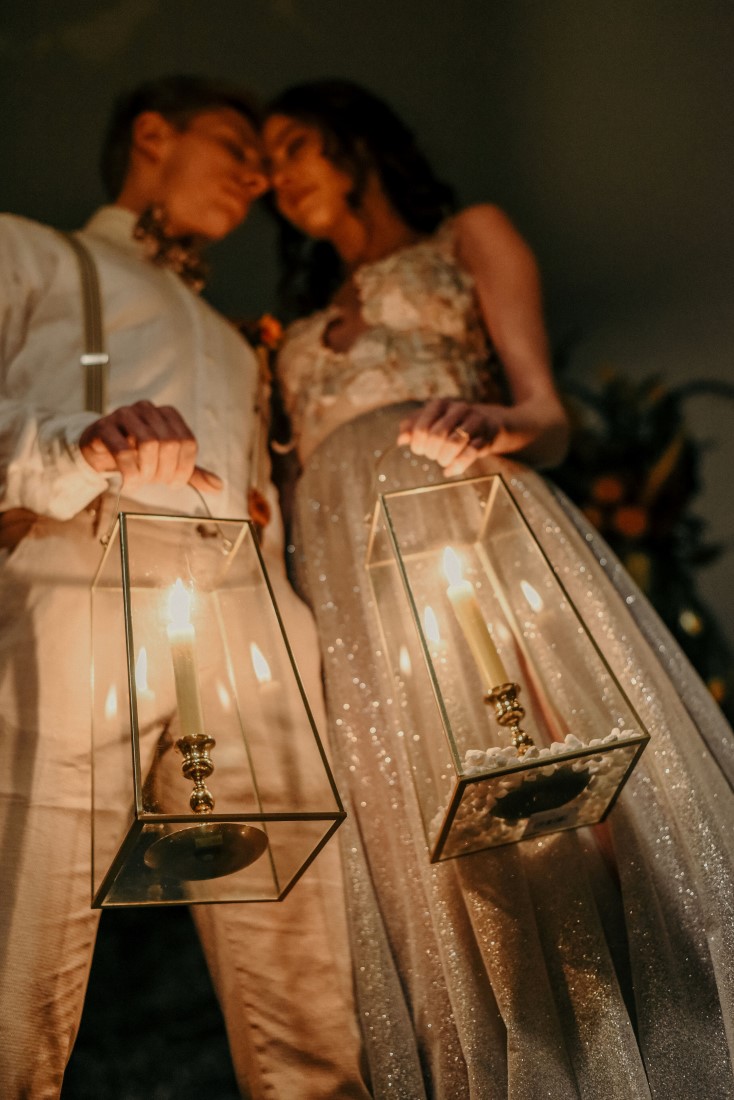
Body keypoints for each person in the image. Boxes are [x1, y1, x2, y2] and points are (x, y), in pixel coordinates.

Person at [262, 79, 734, 1099]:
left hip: (464, 533)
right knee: (444, 832)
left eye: (294, 143)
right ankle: (543, 1060)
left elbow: (547, 417)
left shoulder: (465, 237)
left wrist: (490, 425)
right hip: (354, 589)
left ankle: (671, 1036)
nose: (278, 172)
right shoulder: (288, 330)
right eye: (267, 160)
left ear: (356, 141)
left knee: (564, 781)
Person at [0, 75, 369, 1100]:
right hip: (75, 570)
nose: (258, 174)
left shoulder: (238, 335)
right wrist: (77, 449)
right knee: (23, 935)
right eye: (235, 144)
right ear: (152, 136)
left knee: (305, 961)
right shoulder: (29, 253)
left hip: (248, 613)